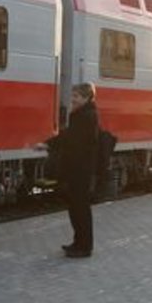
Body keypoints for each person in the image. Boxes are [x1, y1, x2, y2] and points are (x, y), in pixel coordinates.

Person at [40, 82, 99, 258]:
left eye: (76, 96)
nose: (72, 99)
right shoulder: (84, 114)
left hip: (80, 169)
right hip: (78, 168)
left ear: (87, 97)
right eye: (73, 95)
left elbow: (70, 138)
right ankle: (79, 242)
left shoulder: (85, 116)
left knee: (79, 208)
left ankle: (84, 246)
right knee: (76, 207)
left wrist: (47, 144)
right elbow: (69, 137)